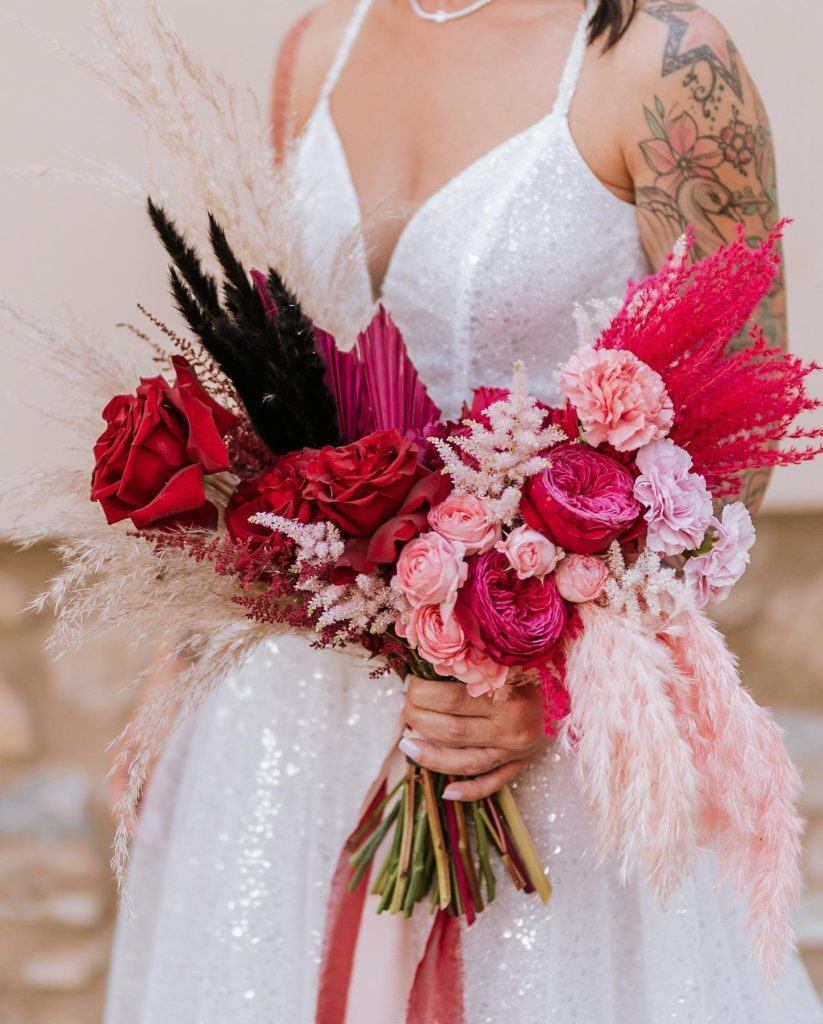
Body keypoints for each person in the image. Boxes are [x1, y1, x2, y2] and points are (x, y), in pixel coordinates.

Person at [105, 1, 823, 1020]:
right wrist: (183, 665)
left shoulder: (659, 61)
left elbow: (738, 431)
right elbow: (274, 381)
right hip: (291, 719)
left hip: (535, 719)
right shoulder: (318, 48)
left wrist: (561, 672)